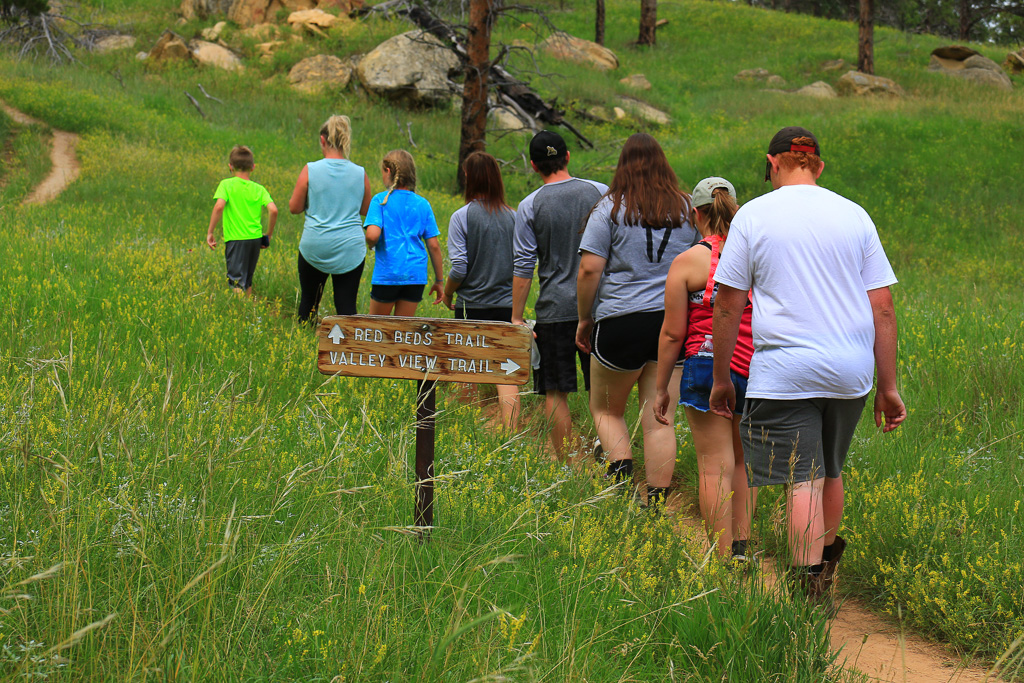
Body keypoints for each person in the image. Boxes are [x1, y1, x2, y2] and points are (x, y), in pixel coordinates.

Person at [709, 126, 906, 598]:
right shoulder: (855, 215)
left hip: (785, 371)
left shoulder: (753, 216)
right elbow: (882, 306)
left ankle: (806, 589)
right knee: (830, 471)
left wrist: (721, 378)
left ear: (773, 163)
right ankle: (826, 564)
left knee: (802, 480)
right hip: (849, 371)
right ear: (818, 165)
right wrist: (888, 385)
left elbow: (727, 304)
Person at [575, 133, 698, 507]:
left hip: (621, 321)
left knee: (607, 410)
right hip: (673, 324)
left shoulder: (609, 209)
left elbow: (589, 269)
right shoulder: (687, 208)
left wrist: (584, 319)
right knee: (659, 416)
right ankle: (658, 506)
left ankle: (624, 492)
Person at [654, 177, 756, 559]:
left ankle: (719, 555)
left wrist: (662, 386)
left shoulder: (687, 262)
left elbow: (671, 333)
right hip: (753, 367)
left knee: (714, 467)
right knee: (743, 461)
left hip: (704, 366)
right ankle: (742, 548)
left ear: (695, 213)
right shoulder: (753, 255)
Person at [512, 130, 607, 458]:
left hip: (554, 310)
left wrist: (515, 316)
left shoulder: (530, 205)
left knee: (556, 391)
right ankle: (608, 450)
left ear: (535, 167)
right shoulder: (601, 193)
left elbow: (524, 268)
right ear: (567, 156)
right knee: (602, 391)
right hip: (600, 306)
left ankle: (566, 466)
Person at [442, 151, 520, 430]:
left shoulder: (461, 217)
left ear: (469, 178)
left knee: (467, 369)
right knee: (505, 373)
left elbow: (460, 267)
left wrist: (449, 292)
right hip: (507, 305)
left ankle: (465, 431)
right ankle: (511, 435)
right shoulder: (514, 216)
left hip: (471, 305)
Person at [288, 115, 372, 324]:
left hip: (315, 246)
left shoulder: (310, 169)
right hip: (350, 249)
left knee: (308, 303)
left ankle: (302, 344)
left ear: (322, 140)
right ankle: (346, 351)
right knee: (346, 307)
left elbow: (294, 207)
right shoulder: (360, 173)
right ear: (346, 141)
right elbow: (366, 210)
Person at [364, 149, 444, 316]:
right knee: (402, 334)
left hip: (388, 275)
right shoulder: (423, 204)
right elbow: (434, 246)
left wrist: (371, 245)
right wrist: (439, 280)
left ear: (388, 171)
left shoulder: (380, 201)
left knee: (376, 332)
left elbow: (372, 235)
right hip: (415, 277)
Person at [206, 145, 278, 295]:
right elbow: (273, 210)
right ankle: (249, 314)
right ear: (253, 167)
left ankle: (240, 314)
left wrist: (210, 232)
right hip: (255, 239)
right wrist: (268, 235)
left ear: (230, 167)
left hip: (236, 239)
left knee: (236, 282)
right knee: (247, 280)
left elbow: (219, 207)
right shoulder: (259, 189)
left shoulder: (226, 185)